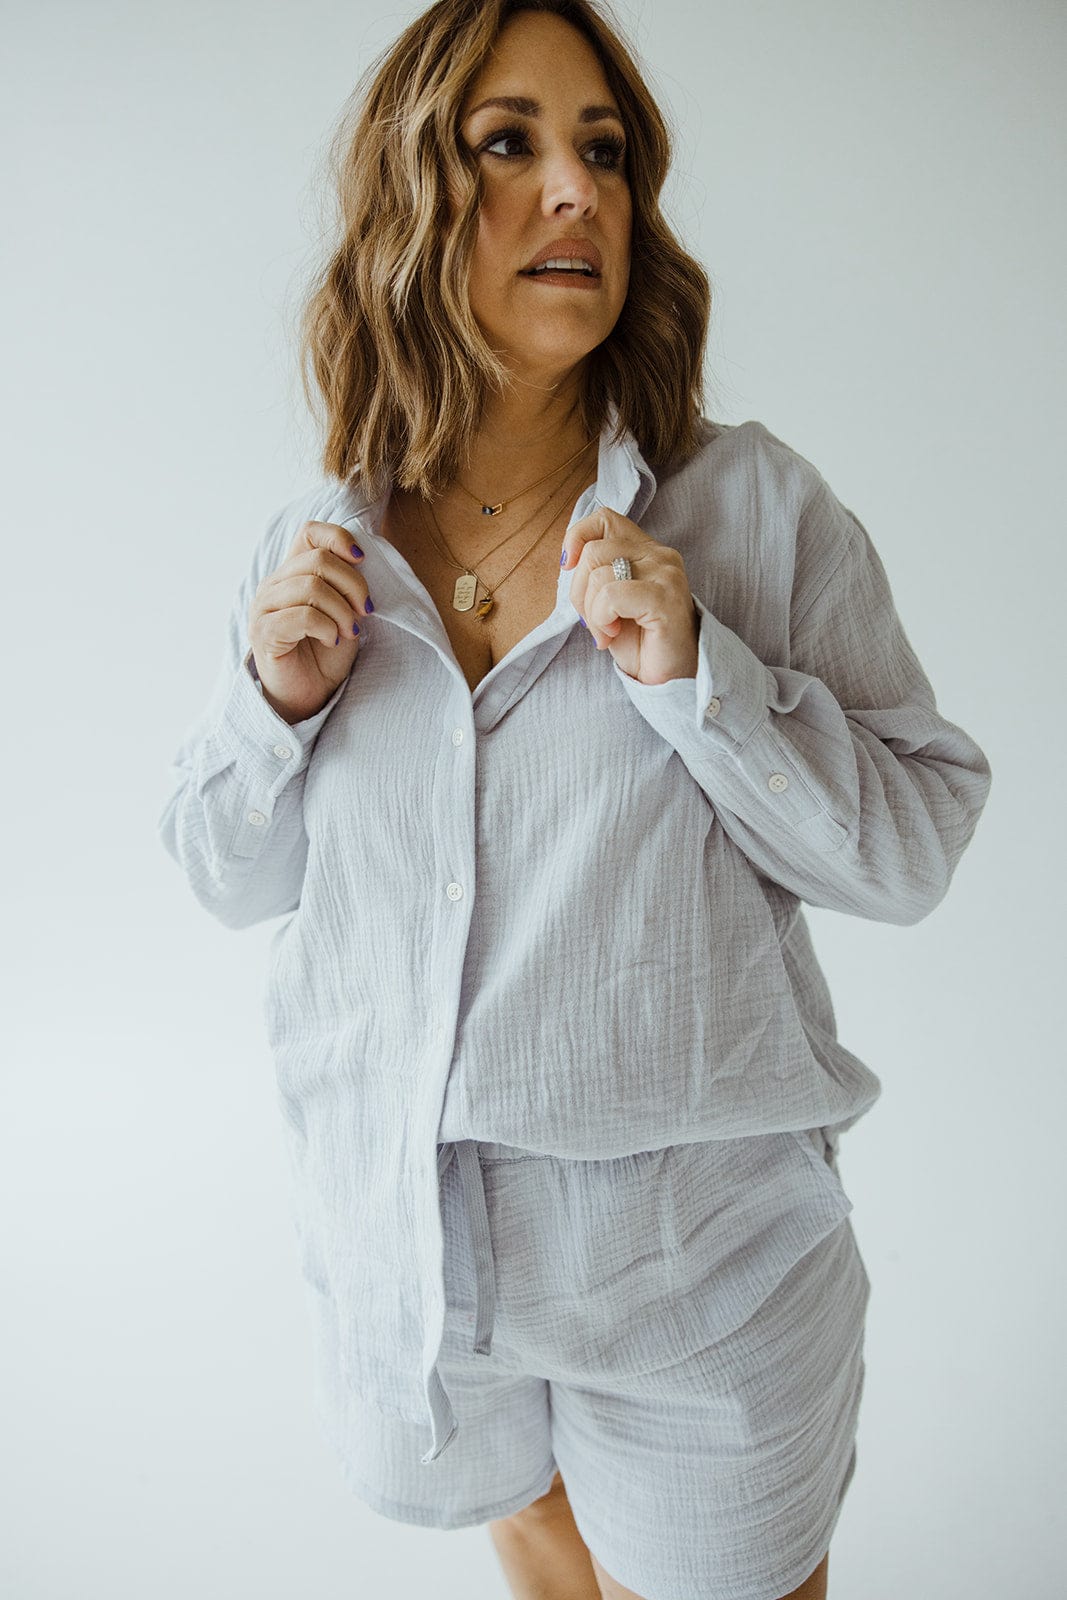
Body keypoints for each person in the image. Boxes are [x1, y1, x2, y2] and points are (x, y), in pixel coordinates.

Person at [158, 2, 993, 1596]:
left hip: (704, 1286)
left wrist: (699, 673)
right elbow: (223, 872)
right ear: (414, 195)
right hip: (417, 1275)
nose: (576, 191)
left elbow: (914, 846)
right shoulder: (316, 547)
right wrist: (279, 706)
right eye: (511, 144)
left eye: (603, 151)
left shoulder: (749, 510)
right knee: (544, 1569)